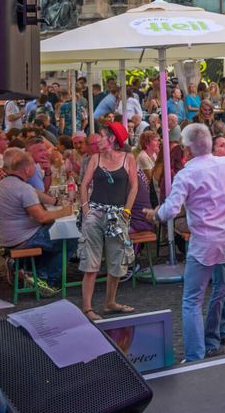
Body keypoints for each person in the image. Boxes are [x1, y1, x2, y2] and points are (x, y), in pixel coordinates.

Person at [145, 124, 225, 363]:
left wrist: (155, 214)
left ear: (187, 149)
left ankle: (195, 356)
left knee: (192, 300)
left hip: (203, 244)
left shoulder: (186, 174)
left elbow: (170, 210)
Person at [0, 149, 77, 291]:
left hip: (4, 238)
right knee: (70, 237)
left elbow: (39, 195)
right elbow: (41, 217)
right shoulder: (23, 188)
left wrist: (56, 202)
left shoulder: (3, 183)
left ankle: (28, 269)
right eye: (34, 167)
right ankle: (46, 278)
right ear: (27, 169)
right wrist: (65, 211)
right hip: (21, 240)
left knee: (55, 230)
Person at [77, 129, 139, 320]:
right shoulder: (94, 158)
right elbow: (84, 184)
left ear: (112, 139)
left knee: (117, 260)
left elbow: (133, 186)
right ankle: (87, 308)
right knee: (91, 261)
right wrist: (86, 209)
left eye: (101, 136)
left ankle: (110, 302)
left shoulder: (128, 158)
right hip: (96, 212)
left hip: (117, 213)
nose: (97, 139)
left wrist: (127, 211)